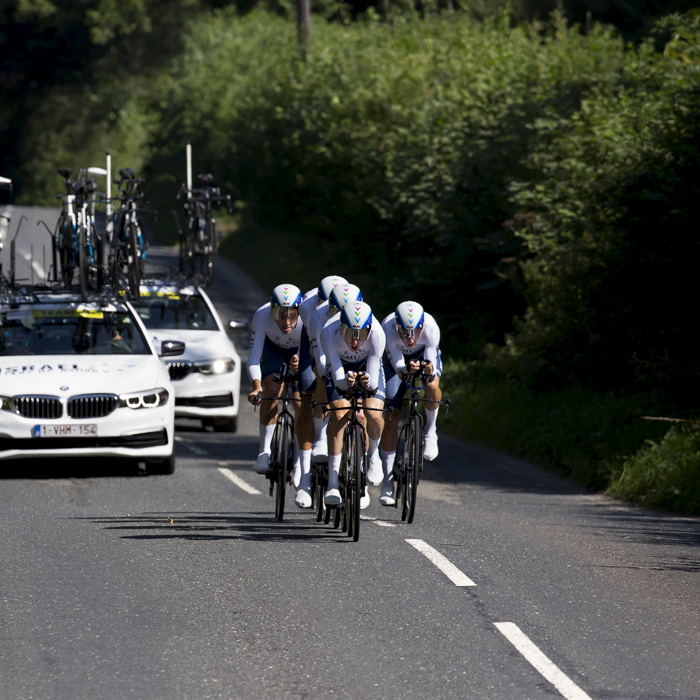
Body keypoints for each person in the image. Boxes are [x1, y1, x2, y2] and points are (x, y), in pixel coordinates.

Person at [320, 300, 386, 509]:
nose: (356, 341)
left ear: (369, 329)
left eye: (361, 334)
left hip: (367, 365)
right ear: (341, 327)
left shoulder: (377, 335)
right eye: (349, 333)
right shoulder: (328, 333)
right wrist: (345, 382)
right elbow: (338, 378)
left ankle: (372, 456)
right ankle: (332, 483)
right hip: (341, 366)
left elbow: (374, 381)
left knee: (372, 414)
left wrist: (367, 381)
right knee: (340, 413)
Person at [379, 301, 442, 506]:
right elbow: (397, 363)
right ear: (396, 326)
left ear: (422, 326)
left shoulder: (431, 327)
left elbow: (431, 362)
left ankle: (430, 430)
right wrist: (405, 369)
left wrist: (427, 370)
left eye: (415, 331)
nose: (410, 337)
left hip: (422, 356)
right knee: (391, 412)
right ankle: (387, 481)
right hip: (395, 361)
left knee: (432, 386)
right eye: (404, 332)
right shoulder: (387, 328)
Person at [294, 275, 347, 508]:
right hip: (314, 345)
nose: (330, 310)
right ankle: (305, 476)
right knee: (309, 394)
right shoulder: (311, 310)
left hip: (345, 340)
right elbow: (320, 356)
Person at [247, 284, 303, 475]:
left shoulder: (308, 319)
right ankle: (264, 452)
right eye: (280, 314)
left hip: (299, 352)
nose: (286, 322)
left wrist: (301, 363)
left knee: (300, 403)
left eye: (292, 315)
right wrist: (257, 387)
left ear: (299, 311)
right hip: (274, 350)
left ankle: (298, 461)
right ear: (272, 310)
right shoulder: (262, 316)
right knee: (271, 389)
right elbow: (254, 358)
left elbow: (316, 353)